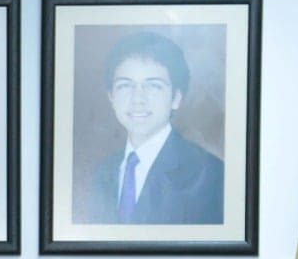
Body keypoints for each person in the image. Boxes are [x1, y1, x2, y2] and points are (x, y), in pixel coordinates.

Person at [79, 31, 224, 225]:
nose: (138, 99)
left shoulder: (211, 175)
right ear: (111, 97)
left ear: (176, 98)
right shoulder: (104, 172)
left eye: (153, 86)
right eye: (125, 85)